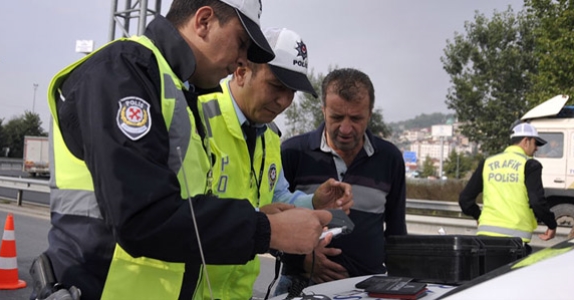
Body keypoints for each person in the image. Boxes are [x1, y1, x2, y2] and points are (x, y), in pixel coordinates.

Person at [35, 1, 334, 299]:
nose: (241, 60)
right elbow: (142, 217)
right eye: (241, 43)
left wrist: (260, 217)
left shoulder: (177, 90)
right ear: (203, 21)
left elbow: (185, 207)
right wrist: (267, 229)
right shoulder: (122, 72)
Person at [197, 27, 353, 299]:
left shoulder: (269, 136)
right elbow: (184, 213)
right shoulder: (199, 115)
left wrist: (313, 202)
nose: (284, 101)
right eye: (276, 86)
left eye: (292, 91)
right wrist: (261, 220)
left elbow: (278, 195)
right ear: (242, 71)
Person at [275, 68, 408, 296]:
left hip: (370, 287)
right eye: (336, 117)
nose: (346, 129)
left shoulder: (390, 158)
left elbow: (396, 235)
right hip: (300, 284)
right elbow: (268, 224)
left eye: (356, 118)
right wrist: (301, 260)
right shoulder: (292, 153)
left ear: (370, 113)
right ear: (323, 110)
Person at [459, 122, 557, 255]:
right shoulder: (529, 165)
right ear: (526, 141)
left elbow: (465, 200)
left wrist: (479, 216)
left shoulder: (487, 163)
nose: (537, 149)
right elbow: (537, 201)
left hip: (484, 239)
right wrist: (551, 224)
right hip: (515, 243)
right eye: (536, 143)